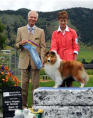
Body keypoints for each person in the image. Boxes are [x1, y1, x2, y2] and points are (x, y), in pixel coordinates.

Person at [16, 10, 46, 108]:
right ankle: (24, 107)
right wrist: (20, 44)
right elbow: (16, 45)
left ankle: (35, 107)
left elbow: (43, 47)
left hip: (35, 62)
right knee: (23, 87)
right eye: (31, 17)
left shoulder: (41, 31)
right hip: (24, 62)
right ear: (28, 17)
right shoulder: (20, 30)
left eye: (34, 17)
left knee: (35, 87)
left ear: (36, 19)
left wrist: (42, 59)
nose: (32, 19)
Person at [50, 10, 79, 87]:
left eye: (64, 20)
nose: (63, 22)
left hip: (70, 61)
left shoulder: (73, 32)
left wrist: (75, 61)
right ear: (58, 20)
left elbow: (75, 47)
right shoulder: (54, 33)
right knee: (60, 84)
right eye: (61, 20)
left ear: (67, 20)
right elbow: (53, 47)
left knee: (70, 85)